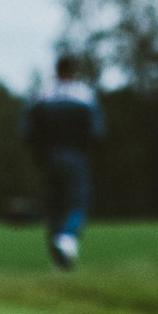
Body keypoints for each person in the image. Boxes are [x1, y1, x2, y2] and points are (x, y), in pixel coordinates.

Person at [22, 54, 103, 271]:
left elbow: (27, 131)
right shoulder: (85, 95)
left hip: (49, 158)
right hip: (75, 156)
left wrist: (38, 154)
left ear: (56, 70)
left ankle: (60, 259)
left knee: (54, 207)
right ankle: (66, 241)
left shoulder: (42, 95)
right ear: (74, 71)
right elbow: (96, 132)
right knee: (77, 203)